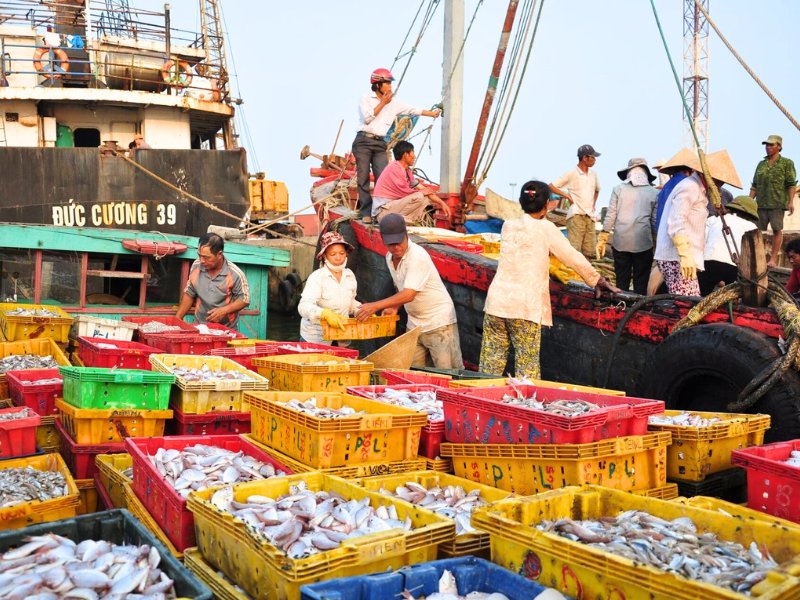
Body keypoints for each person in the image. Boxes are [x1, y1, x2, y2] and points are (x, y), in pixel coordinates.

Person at [479, 180, 619, 378]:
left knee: (489, 366)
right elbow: (572, 257)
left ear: (521, 202)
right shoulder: (546, 228)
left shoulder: (508, 226)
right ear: (546, 206)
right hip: (524, 308)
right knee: (526, 373)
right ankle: (523, 407)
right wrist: (596, 280)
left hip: (496, 304)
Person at [355, 213, 462, 369]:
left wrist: (374, 306)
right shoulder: (388, 257)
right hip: (414, 324)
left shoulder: (417, 257)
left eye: (400, 242)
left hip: (439, 322)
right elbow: (402, 287)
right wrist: (395, 306)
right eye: (391, 244)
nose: (396, 248)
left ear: (406, 235)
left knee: (449, 373)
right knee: (413, 372)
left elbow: (409, 294)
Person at [352, 68, 441, 222]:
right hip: (363, 141)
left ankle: (383, 210)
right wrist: (383, 103)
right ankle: (366, 212)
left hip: (380, 143)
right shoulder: (366, 99)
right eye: (387, 83)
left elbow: (413, 110)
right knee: (363, 176)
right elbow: (367, 118)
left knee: (384, 175)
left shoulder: (394, 104)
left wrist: (431, 114)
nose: (390, 86)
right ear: (377, 84)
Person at [654, 149, 742, 296]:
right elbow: (676, 221)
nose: (720, 185)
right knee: (687, 303)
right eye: (719, 181)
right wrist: (684, 253)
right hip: (677, 258)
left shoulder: (699, 190)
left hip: (684, 258)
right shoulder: (690, 187)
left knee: (688, 301)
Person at [596, 158, 658, 295]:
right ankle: (637, 310)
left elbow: (611, 215)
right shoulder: (654, 193)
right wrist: (656, 243)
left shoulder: (618, 189)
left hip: (620, 242)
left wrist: (603, 235)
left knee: (622, 281)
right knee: (641, 283)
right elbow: (654, 222)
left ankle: (621, 308)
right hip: (644, 244)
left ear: (629, 173)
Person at [297, 231, 360, 344]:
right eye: (333, 254)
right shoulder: (317, 277)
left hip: (342, 336)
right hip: (316, 339)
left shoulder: (349, 275)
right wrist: (324, 314)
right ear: (324, 255)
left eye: (341, 253)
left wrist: (361, 310)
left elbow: (350, 302)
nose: (338, 257)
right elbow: (303, 306)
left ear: (346, 253)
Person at [176, 232, 250, 328]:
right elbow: (190, 293)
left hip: (226, 330)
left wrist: (223, 311)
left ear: (219, 254)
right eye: (199, 255)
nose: (202, 260)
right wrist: (177, 319)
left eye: (206, 257)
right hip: (200, 327)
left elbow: (244, 300)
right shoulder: (196, 265)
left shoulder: (235, 273)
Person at [371, 140, 450, 224]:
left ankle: (405, 220)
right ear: (406, 155)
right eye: (413, 153)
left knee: (425, 198)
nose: (414, 156)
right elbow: (405, 191)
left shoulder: (407, 172)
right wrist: (422, 192)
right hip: (382, 213)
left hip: (392, 208)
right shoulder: (395, 168)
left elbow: (424, 190)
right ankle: (399, 220)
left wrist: (442, 203)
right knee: (419, 196)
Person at [750, 134, 797, 267]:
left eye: (771, 144)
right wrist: (749, 202)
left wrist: (791, 202)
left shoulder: (787, 163)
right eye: (767, 144)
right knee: (756, 232)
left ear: (779, 146)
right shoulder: (761, 164)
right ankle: (757, 258)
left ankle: (773, 259)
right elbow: (754, 185)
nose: (768, 147)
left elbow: (791, 184)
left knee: (777, 230)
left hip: (777, 203)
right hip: (760, 204)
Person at [698, 195, 759, 295]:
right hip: (734, 267)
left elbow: (702, 241)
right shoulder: (752, 227)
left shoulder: (713, 219)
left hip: (709, 262)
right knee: (732, 297)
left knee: (700, 294)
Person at [549, 144, 602, 258]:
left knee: (589, 252)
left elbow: (597, 190)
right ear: (584, 158)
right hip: (576, 215)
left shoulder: (594, 174)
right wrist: (567, 196)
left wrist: (593, 204)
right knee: (574, 251)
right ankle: (574, 275)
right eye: (592, 157)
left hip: (590, 216)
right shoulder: (572, 173)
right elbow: (552, 186)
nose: (594, 160)